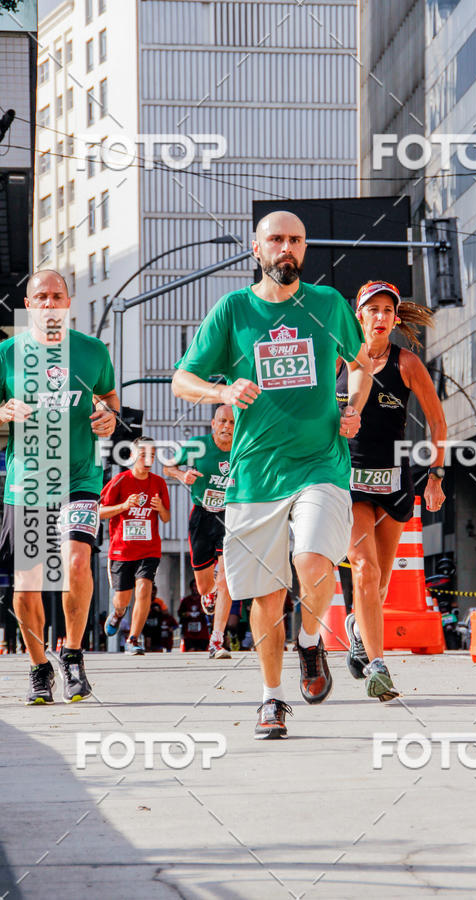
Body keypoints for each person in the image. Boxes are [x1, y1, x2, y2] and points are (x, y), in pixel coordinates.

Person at [172, 209, 372, 739]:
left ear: (304, 250)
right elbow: (182, 379)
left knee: (312, 560)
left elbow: (360, 362)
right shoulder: (233, 309)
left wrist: (351, 406)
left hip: (321, 462)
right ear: (256, 249)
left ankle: (309, 640)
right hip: (255, 473)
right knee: (265, 594)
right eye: (277, 239)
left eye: (296, 240)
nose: (287, 248)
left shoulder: (328, 304)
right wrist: (222, 391)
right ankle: (271, 697)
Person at [0, 270, 119, 704]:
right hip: (28, 482)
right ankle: (37, 667)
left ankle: (72, 654)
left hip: (79, 477)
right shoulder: (7, 353)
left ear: (69, 302)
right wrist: (4, 411)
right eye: (41, 298)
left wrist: (107, 414)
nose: (50, 304)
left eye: (57, 296)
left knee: (76, 563)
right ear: (28, 305)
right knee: (28, 583)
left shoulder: (92, 351)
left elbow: (108, 398)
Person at [337, 280, 447, 700]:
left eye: (387, 310)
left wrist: (437, 473)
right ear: (359, 316)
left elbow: (437, 422)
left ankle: (357, 628)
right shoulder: (340, 360)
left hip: (395, 481)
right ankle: (378, 668)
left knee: (379, 581)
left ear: (395, 318)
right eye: (373, 310)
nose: (380, 317)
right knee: (364, 569)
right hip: (350, 480)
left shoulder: (407, 364)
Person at [163, 405, 235, 659]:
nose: (227, 426)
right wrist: (182, 474)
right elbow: (167, 467)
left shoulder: (243, 447)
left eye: (232, 422)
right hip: (202, 516)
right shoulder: (197, 445)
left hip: (231, 516)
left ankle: (217, 640)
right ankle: (210, 593)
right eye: (223, 421)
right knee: (205, 585)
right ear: (213, 424)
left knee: (226, 578)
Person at [101, 436, 170, 654]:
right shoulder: (120, 480)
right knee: (123, 600)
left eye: (151, 455)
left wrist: (160, 509)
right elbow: (100, 512)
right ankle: (118, 614)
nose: (147, 459)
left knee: (144, 591)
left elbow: (167, 518)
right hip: (122, 550)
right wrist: (123, 505)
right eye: (143, 454)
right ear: (132, 456)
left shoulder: (158, 482)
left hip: (149, 549)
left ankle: (133, 638)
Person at [178, 579, 210, 651]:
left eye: (197, 586)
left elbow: (211, 612)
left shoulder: (204, 599)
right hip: (189, 633)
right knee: (190, 651)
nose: (195, 588)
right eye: (194, 586)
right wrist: (186, 614)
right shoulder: (186, 600)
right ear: (191, 588)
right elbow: (180, 613)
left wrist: (205, 611)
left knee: (201, 651)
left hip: (202, 633)